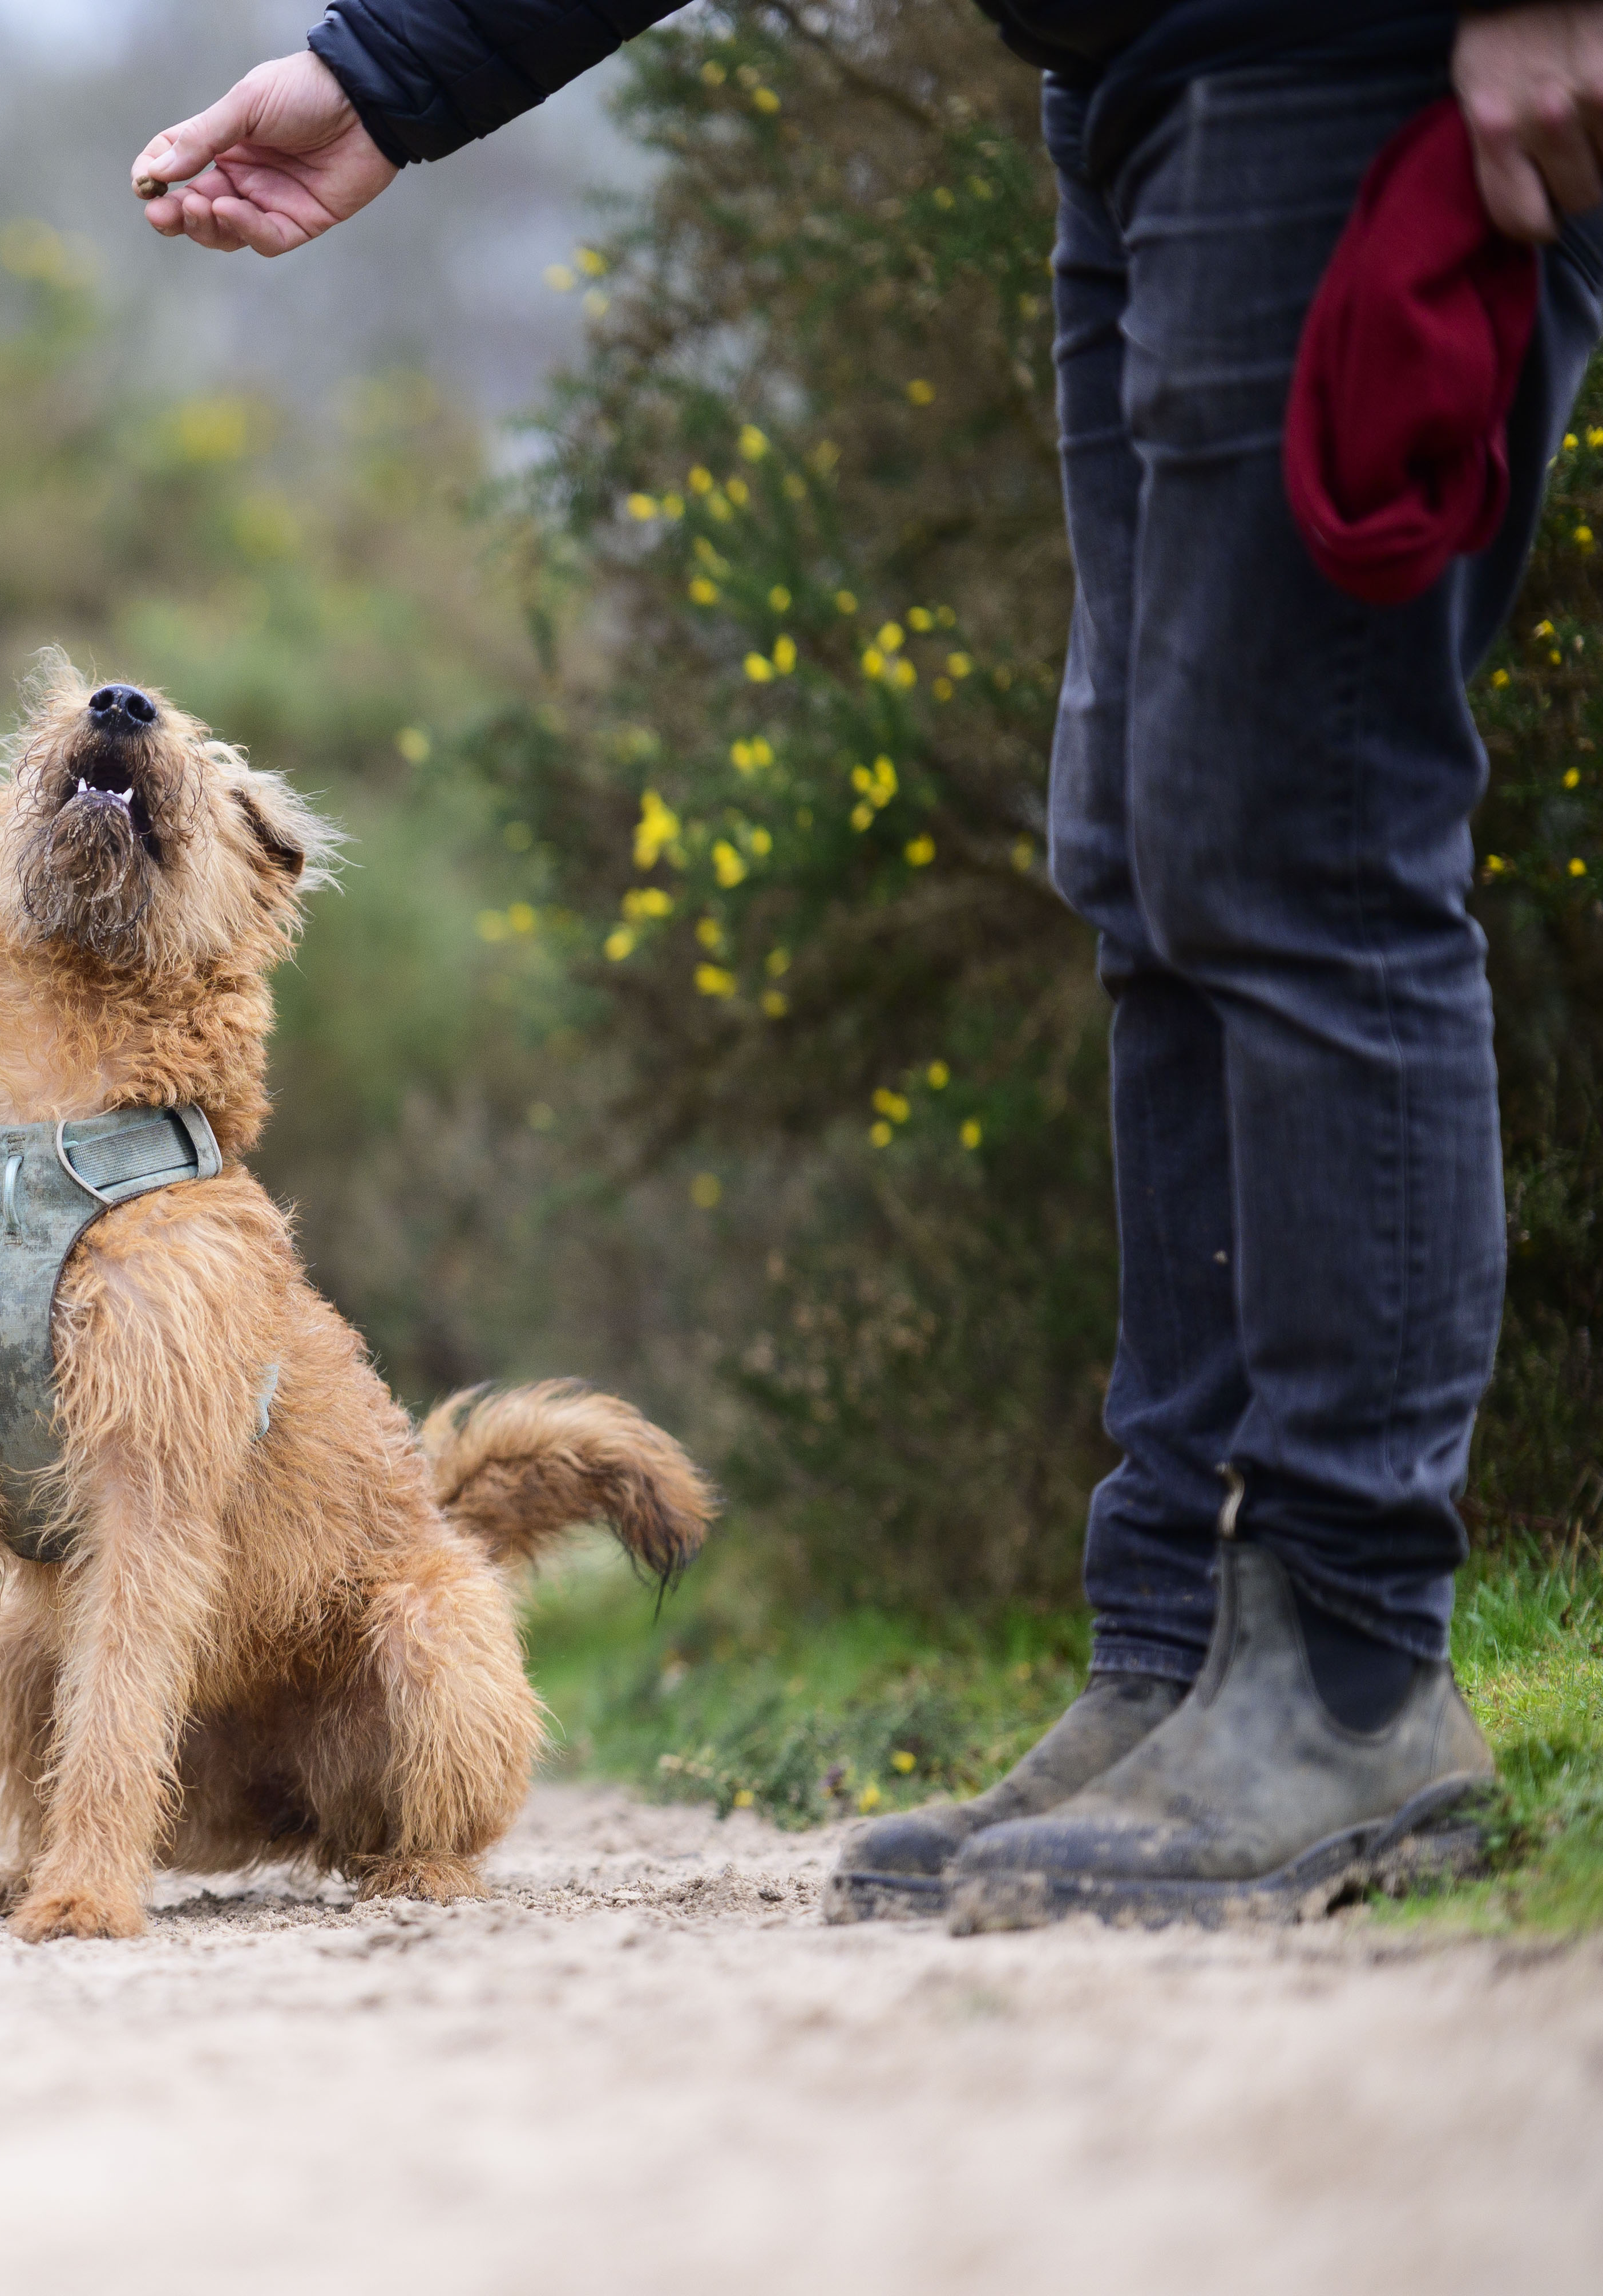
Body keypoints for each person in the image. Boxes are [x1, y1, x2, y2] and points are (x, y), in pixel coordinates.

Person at [134, 1, 1603, 1926]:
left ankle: (1348, 1675)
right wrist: (399, 72)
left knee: (1301, 839)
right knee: (1153, 863)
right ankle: (1175, 1654)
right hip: (1143, 81)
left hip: (1343, 53)